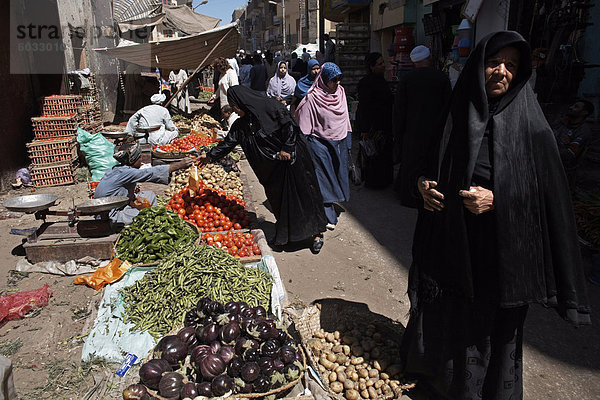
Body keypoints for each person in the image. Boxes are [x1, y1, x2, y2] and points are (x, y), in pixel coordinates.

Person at [400, 31, 590, 400]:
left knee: (491, 326)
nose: (501, 71)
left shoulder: (532, 126)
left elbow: (548, 195)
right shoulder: (455, 112)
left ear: (520, 74)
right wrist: (423, 185)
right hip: (453, 240)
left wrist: (498, 198)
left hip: (501, 249)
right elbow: (425, 162)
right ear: (478, 67)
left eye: (511, 66)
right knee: (450, 312)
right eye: (494, 62)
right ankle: (442, 381)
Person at [197, 86, 327, 252]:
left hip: (293, 162)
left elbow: (290, 126)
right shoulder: (240, 126)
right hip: (272, 169)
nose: (234, 111)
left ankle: (315, 234)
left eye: (235, 106)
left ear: (243, 102)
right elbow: (228, 144)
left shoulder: (272, 108)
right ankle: (286, 236)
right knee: (279, 201)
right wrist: (209, 156)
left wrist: (287, 148)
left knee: (304, 196)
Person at [295, 62, 351, 230]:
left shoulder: (340, 93)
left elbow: (346, 117)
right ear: (324, 80)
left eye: (339, 79)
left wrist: (347, 140)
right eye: (333, 80)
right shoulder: (312, 98)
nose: (337, 83)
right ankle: (328, 215)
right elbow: (304, 124)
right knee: (324, 178)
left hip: (339, 141)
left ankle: (332, 204)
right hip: (318, 142)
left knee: (337, 174)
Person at [393, 45, 452, 206]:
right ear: (429, 58)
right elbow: (448, 107)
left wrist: (398, 133)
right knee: (432, 164)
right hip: (435, 131)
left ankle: (409, 196)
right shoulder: (441, 78)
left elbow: (399, 109)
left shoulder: (407, 79)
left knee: (411, 163)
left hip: (411, 131)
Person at [94, 142, 193, 227]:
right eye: (139, 156)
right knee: (144, 216)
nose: (142, 159)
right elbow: (149, 173)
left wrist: (134, 197)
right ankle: (152, 222)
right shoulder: (127, 172)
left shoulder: (119, 169)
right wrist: (178, 165)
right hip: (112, 214)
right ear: (133, 160)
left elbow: (121, 192)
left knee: (150, 195)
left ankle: (152, 215)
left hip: (119, 204)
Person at [356, 52, 394, 189]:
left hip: (384, 124)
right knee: (373, 154)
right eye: (380, 64)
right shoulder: (366, 83)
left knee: (383, 154)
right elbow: (364, 108)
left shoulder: (382, 81)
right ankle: (373, 181)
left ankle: (384, 180)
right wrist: (365, 129)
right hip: (373, 126)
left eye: (383, 63)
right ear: (372, 67)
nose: (383, 66)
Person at [552, 99, 595, 186]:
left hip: (561, 169)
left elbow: (569, 155)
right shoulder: (561, 122)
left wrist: (548, 150)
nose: (571, 107)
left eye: (576, 107)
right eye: (572, 105)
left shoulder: (583, 131)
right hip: (548, 158)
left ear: (584, 113)